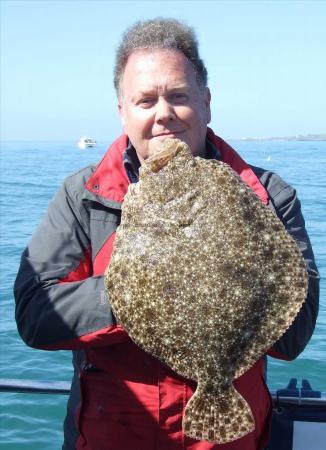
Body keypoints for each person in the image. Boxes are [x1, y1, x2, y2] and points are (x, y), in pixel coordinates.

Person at [14, 18, 319, 450]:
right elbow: (34, 316)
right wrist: (144, 291)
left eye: (178, 97)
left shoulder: (268, 195)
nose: (163, 114)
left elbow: (294, 335)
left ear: (206, 103)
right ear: (123, 111)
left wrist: (224, 283)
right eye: (145, 101)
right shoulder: (83, 196)